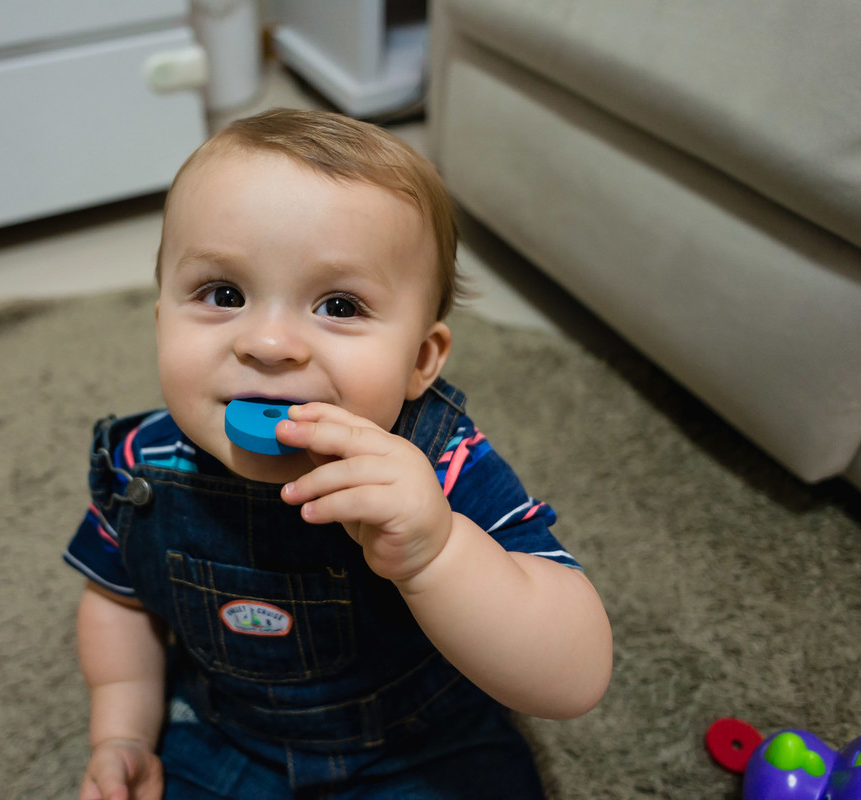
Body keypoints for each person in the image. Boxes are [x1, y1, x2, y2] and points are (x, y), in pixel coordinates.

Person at [64, 108, 612, 800]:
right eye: (223, 295)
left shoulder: (440, 466)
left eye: (340, 305)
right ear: (160, 322)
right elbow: (119, 603)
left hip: (419, 743)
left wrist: (437, 553)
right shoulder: (140, 463)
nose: (268, 344)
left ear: (420, 360)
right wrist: (121, 734)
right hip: (225, 734)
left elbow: (574, 677)